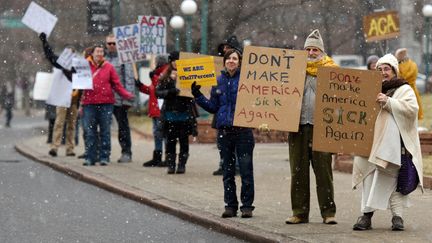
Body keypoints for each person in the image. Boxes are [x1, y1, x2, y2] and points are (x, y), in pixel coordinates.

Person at [352, 54, 423, 231]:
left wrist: (389, 102)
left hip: (393, 146)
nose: (383, 72)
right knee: (368, 178)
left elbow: (412, 110)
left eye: (386, 69)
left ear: (393, 71)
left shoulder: (403, 89)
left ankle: (397, 217)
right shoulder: (369, 88)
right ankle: (366, 216)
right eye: (380, 69)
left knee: (392, 180)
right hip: (369, 144)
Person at [191, 48, 255, 218]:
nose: (231, 61)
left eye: (235, 58)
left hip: (243, 132)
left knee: (246, 170)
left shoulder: (248, 80)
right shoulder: (217, 81)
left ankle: (247, 206)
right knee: (227, 171)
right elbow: (213, 106)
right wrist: (197, 95)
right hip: (224, 131)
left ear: (239, 62)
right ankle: (230, 205)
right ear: (225, 61)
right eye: (229, 59)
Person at [285, 29, 338, 225]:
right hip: (297, 127)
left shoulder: (333, 71)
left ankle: (328, 212)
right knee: (298, 171)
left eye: (315, 49)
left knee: (324, 172)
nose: (311, 52)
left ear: (321, 51)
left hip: (322, 128)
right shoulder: (293, 71)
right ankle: (299, 212)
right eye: (308, 49)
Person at [81, 45, 134, 166]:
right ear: (92, 54)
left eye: (101, 52)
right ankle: (90, 157)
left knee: (105, 131)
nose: (99, 54)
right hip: (89, 103)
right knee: (90, 131)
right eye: (97, 51)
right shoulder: (84, 66)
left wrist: (126, 95)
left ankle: (104, 156)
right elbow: (78, 82)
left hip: (106, 103)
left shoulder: (109, 67)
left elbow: (116, 84)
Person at [39, 32, 81, 157]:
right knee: (59, 123)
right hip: (62, 98)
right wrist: (44, 42)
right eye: (66, 53)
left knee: (72, 125)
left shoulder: (78, 66)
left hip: (74, 99)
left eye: (71, 53)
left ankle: (70, 148)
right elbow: (50, 55)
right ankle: (55, 147)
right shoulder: (59, 63)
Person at [156, 51, 198, 174]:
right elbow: (158, 93)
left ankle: (182, 165)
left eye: (178, 61)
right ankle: (170, 164)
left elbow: (193, 93)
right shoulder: (165, 77)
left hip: (184, 115)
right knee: (170, 142)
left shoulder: (188, 75)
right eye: (174, 61)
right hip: (170, 116)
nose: (176, 63)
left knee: (184, 142)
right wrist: (171, 89)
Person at [212, 35, 243, 176]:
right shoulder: (220, 76)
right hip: (223, 114)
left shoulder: (242, 76)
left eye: (228, 48)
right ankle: (224, 164)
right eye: (224, 49)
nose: (226, 51)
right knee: (222, 143)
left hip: (238, 116)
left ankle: (235, 166)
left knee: (237, 144)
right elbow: (213, 103)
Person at [105, 34, 136, 163]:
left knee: (123, 127)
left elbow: (129, 78)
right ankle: (102, 152)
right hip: (104, 98)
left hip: (119, 99)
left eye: (114, 43)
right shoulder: (102, 58)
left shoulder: (124, 59)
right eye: (109, 43)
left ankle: (126, 152)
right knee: (102, 126)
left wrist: (128, 99)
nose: (112, 46)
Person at [135, 55, 168, 167]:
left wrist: (153, 76)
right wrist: (141, 86)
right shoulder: (157, 73)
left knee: (162, 133)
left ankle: (167, 157)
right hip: (156, 109)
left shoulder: (165, 73)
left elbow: (159, 87)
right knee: (158, 133)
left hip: (161, 109)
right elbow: (152, 90)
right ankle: (158, 157)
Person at [395, 48, 424, 120]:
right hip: (407, 91)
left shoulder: (410, 65)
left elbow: (403, 78)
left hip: (406, 91)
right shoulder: (411, 65)